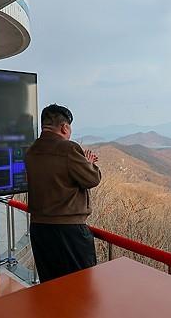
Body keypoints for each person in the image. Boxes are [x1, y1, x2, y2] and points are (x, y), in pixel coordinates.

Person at [26, 104, 101, 282]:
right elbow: (92, 179)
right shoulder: (67, 149)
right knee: (81, 285)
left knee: (51, 284)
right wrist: (88, 163)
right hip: (68, 231)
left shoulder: (31, 151)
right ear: (64, 127)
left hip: (39, 229)